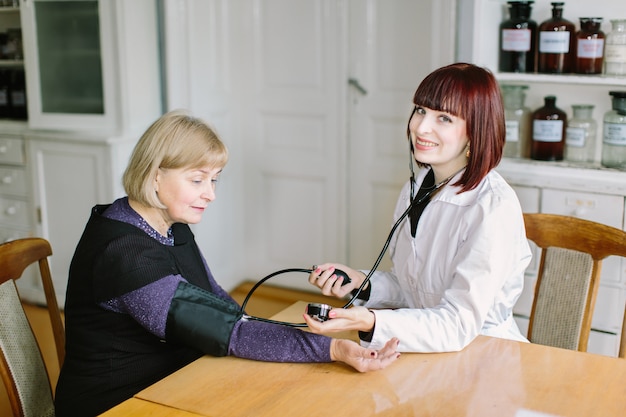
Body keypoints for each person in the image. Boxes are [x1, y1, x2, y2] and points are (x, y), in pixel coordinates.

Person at [54, 110, 400, 417]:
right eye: (197, 180)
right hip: (116, 403)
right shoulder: (124, 254)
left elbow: (214, 297)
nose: (210, 194)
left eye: (214, 179)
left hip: (172, 380)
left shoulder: (168, 224)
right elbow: (225, 330)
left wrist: (296, 338)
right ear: (155, 175)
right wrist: (334, 348)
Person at [304, 63, 532, 353]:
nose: (421, 127)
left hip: (482, 354)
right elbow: (416, 289)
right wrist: (361, 283)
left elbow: (457, 324)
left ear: (476, 130)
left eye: (444, 118)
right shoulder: (420, 184)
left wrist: (371, 322)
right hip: (427, 348)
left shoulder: (493, 207)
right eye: (421, 110)